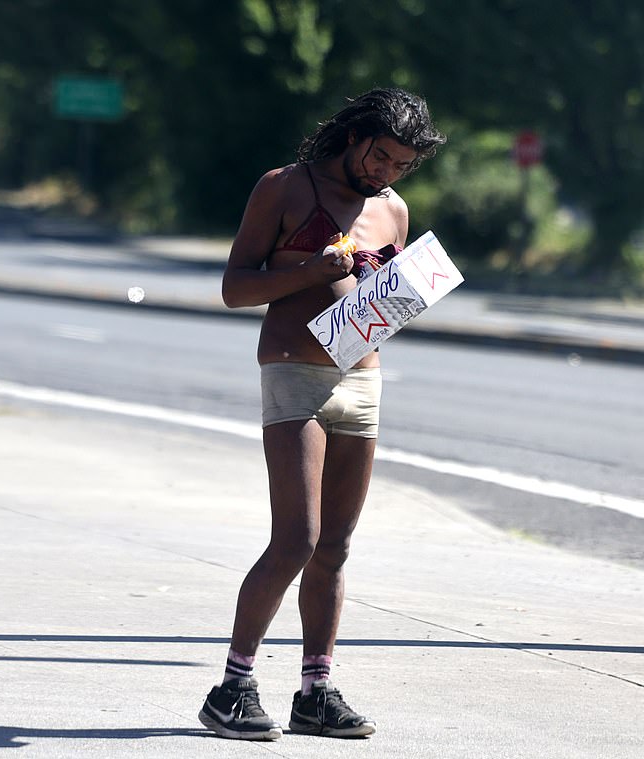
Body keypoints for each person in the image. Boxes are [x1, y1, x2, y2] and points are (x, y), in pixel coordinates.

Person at [198, 88, 445, 741]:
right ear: (355, 134)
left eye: (401, 165)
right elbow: (235, 288)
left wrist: (396, 290)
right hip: (292, 371)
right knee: (297, 537)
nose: (386, 173)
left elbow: (379, 304)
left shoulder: (393, 211)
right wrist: (312, 269)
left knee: (334, 546)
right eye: (382, 156)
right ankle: (233, 685)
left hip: (362, 380)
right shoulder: (283, 187)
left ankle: (315, 689)